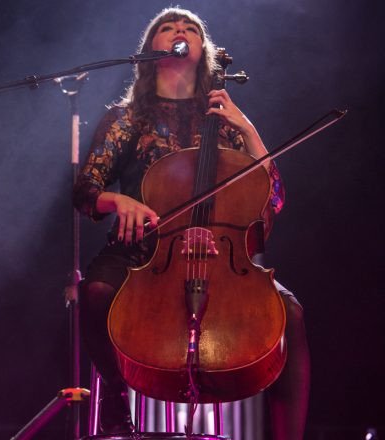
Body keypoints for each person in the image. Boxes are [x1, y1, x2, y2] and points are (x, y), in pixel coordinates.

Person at [73, 7, 310, 440]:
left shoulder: (225, 119)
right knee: (95, 291)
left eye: (190, 28)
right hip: (144, 251)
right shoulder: (126, 119)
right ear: (150, 51)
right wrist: (118, 200)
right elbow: (85, 187)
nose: (180, 31)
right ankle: (114, 400)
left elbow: (271, 194)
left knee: (289, 314)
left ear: (204, 52)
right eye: (168, 27)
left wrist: (248, 126)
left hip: (221, 256)